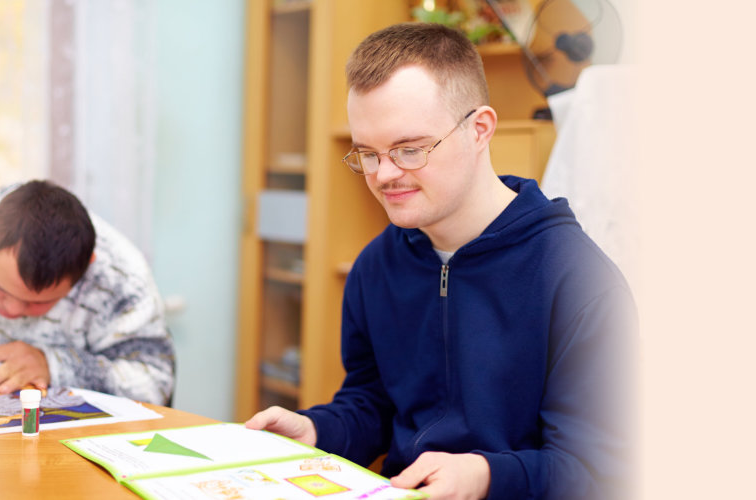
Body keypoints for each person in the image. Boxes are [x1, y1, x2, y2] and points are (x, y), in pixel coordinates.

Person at [244, 23, 633, 500]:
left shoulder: (579, 281)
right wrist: (317, 431)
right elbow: (374, 406)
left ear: (479, 130)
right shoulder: (376, 266)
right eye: (368, 153)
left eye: (409, 150)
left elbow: (598, 471)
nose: (385, 175)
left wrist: (488, 475)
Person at [0, 180, 175, 405]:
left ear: (87, 268)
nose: (12, 310)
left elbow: (156, 383)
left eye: (38, 303)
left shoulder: (119, 274)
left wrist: (57, 366)